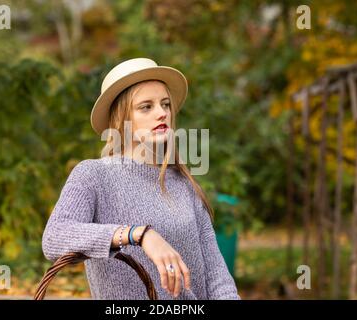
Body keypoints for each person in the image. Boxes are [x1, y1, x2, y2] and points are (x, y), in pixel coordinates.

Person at [42, 58, 240, 300]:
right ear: (119, 120)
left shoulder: (183, 184)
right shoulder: (93, 175)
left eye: (165, 104)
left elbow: (217, 277)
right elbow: (54, 238)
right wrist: (140, 234)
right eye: (146, 107)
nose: (162, 113)